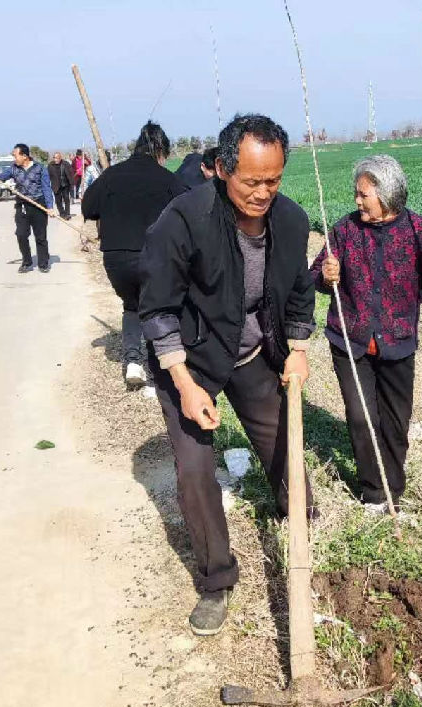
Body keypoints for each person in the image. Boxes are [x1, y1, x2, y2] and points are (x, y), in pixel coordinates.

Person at [139, 114, 315, 635]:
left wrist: (298, 348)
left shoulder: (291, 221)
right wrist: (185, 384)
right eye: (252, 181)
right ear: (219, 169)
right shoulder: (183, 220)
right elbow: (156, 309)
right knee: (196, 474)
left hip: (250, 351)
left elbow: (300, 293)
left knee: (283, 439)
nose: (264, 193)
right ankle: (216, 581)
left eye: (275, 180)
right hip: (188, 360)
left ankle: (302, 526)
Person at [310, 154, 422, 514]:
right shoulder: (345, 231)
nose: (357, 201)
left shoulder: (419, 231)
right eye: (357, 193)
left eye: (364, 194)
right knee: (363, 418)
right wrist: (326, 276)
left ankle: (393, 488)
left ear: (388, 194)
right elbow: (315, 277)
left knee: (395, 422)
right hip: (351, 340)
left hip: (398, 341)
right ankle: (373, 494)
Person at [82, 122, 185, 390]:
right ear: (160, 149)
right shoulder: (166, 178)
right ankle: (154, 377)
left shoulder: (111, 175)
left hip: (116, 259)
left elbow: (88, 206)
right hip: (153, 257)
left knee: (131, 306)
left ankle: (132, 362)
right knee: (155, 310)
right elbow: (188, 207)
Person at [0, 143, 57, 273]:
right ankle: (27, 262)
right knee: (21, 235)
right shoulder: (13, 168)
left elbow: (47, 188)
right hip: (22, 205)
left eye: (15, 155)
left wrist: (50, 207)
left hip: (39, 205)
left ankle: (43, 263)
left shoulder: (40, 168)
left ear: (24, 156)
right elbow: (1, 177)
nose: (14, 158)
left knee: (40, 236)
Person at [48, 152, 74, 220]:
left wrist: (71, 184)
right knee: (58, 201)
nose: (55, 159)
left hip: (65, 185)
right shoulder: (50, 165)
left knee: (66, 199)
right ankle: (62, 213)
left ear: (60, 158)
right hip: (56, 185)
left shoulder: (66, 164)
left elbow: (71, 174)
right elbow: (48, 176)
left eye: (57, 158)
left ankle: (67, 213)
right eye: (54, 158)